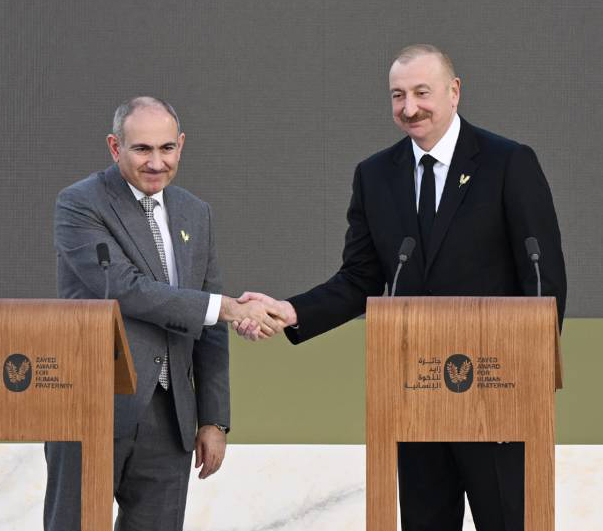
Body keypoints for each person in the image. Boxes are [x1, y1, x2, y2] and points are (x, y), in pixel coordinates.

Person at [233, 44, 567, 530]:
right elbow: (359, 279)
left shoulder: (508, 162)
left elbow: (543, 276)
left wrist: (528, 379)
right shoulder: (375, 176)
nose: (409, 108)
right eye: (397, 96)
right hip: (417, 390)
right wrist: (291, 311)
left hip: (499, 394)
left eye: (421, 93)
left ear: (454, 92)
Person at [44, 96, 284, 531]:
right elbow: (126, 288)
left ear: (181, 145)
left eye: (167, 148)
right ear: (115, 147)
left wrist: (213, 419)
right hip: (92, 405)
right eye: (142, 149)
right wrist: (229, 308)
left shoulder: (196, 212)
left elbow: (209, 325)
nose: (157, 162)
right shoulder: (80, 204)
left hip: (171, 419)